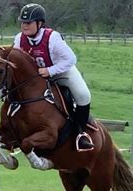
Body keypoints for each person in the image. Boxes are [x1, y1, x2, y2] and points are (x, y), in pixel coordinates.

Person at [14, 3, 94, 151]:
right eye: (23, 22)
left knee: (84, 95)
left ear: (39, 23)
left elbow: (71, 59)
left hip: (61, 71)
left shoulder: (52, 38)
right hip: (37, 76)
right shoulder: (19, 39)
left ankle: (80, 134)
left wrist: (51, 70)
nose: (24, 26)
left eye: (28, 22)